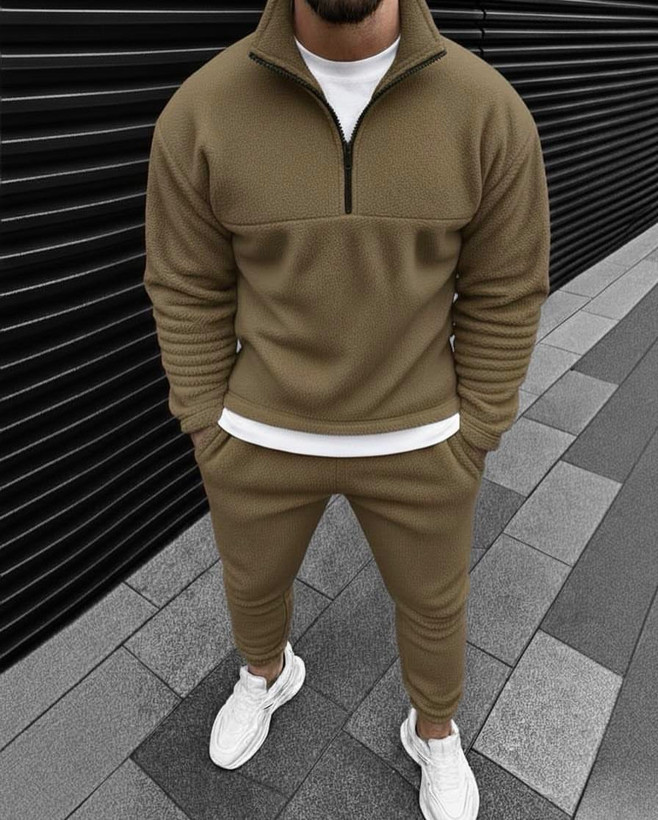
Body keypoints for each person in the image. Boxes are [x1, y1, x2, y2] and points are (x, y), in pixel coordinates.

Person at [143, 0, 551, 815]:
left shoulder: (488, 111)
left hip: (423, 435)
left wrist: (476, 428)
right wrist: (206, 421)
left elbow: (506, 287)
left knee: (435, 606)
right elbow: (186, 282)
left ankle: (433, 729)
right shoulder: (202, 111)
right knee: (253, 584)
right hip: (257, 432)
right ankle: (267, 673)